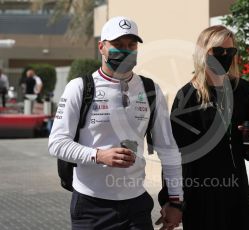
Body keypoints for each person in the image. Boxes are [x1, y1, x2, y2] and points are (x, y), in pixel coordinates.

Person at [48, 16, 183, 230]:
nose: (125, 51)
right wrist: (99, 155)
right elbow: (56, 143)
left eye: (131, 45)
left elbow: (168, 149)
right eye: (118, 45)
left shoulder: (150, 90)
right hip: (91, 206)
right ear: (101, 47)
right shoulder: (80, 87)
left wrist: (176, 202)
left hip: (136, 205)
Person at [169, 25, 249, 229]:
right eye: (218, 51)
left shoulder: (242, 89)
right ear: (203, 53)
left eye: (230, 51)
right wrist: (175, 202)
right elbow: (176, 156)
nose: (225, 56)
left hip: (238, 190)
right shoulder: (187, 97)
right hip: (202, 195)